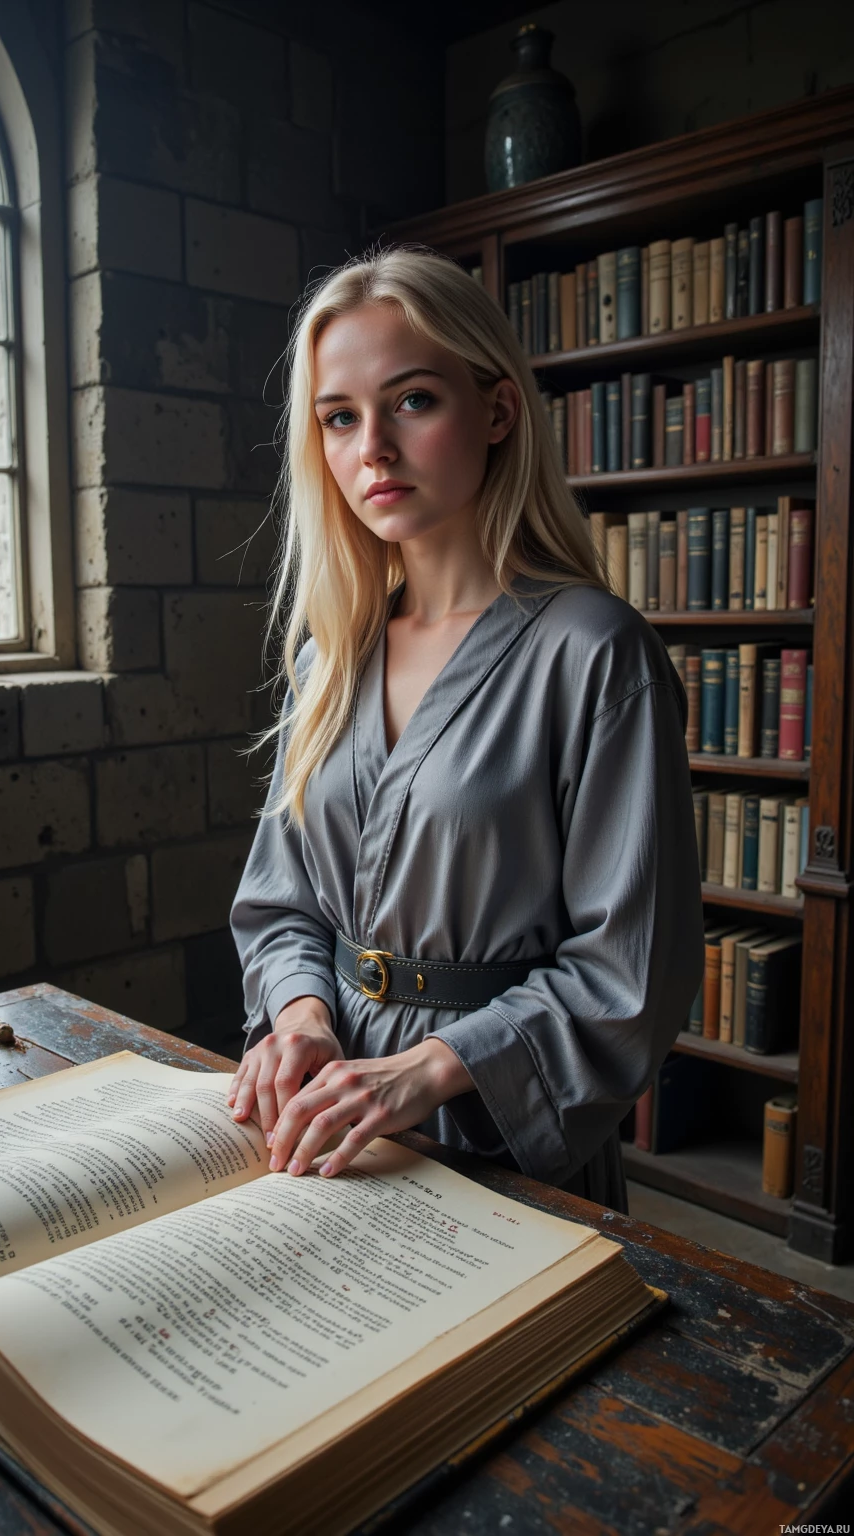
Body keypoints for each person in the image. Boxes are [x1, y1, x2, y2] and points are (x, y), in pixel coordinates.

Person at [226, 247, 703, 1211]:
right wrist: (308, 1016)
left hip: (501, 1123)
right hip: (329, 1121)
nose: (374, 451)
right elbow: (281, 906)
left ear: (496, 410)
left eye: (411, 401)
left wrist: (431, 1068)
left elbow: (632, 968)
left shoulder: (594, 652)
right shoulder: (329, 660)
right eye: (339, 418)